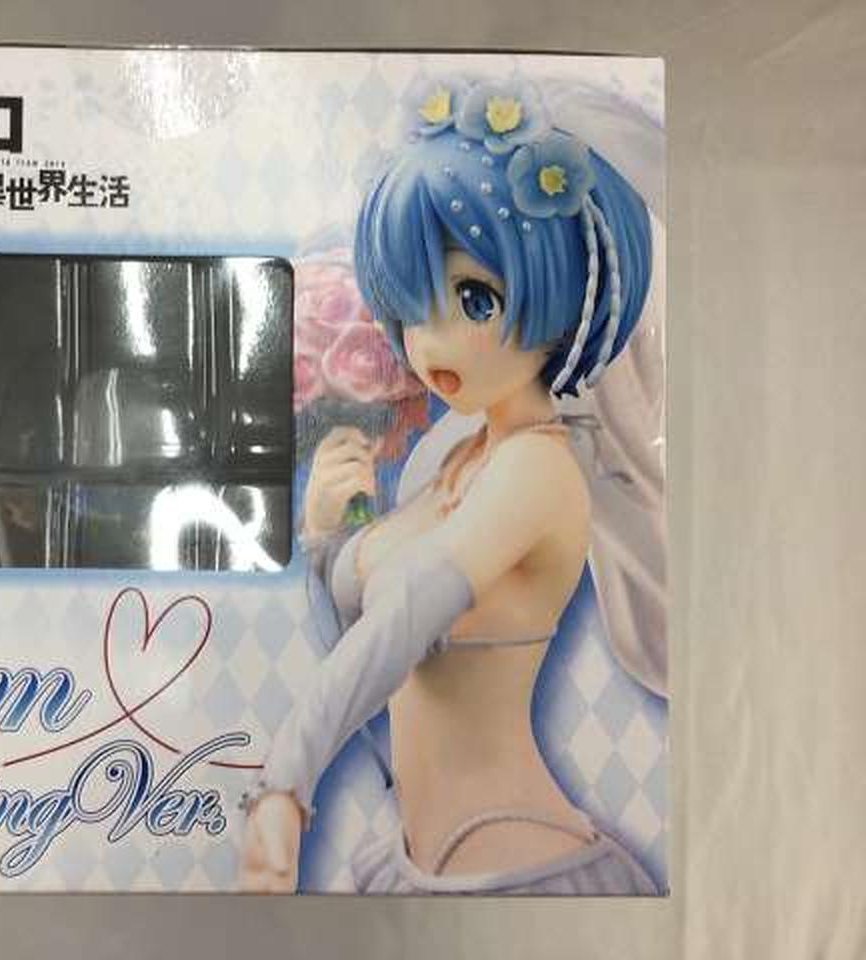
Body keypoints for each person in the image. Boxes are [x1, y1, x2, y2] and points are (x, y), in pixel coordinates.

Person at [240, 76, 664, 894]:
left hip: (520, 868)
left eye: (474, 299)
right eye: (411, 307)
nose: (429, 343)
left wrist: (285, 784)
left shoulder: (539, 469)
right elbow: (371, 664)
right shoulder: (451, 459)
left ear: (563, 296)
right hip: (413, 860)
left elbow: (405, 616)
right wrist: (327, 540)